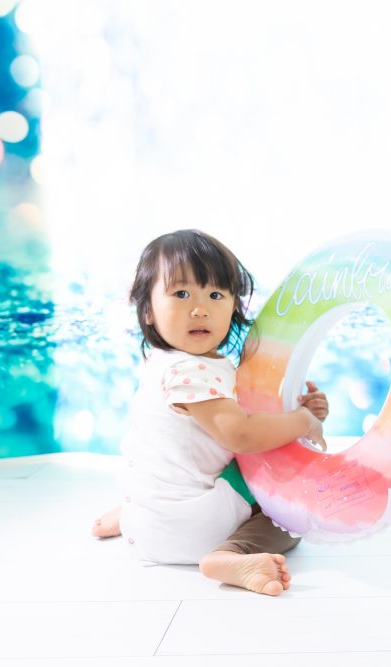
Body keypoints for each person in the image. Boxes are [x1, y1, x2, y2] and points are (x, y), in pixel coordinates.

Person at [90, 229, 328, 597]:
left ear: (233, 307)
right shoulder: (193, 371)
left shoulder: (165, 360)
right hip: (192, 528)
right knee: (290, 512)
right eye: (181, 294)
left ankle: (135, 514)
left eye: (215, 295)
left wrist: (299, 411)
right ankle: (230, 554)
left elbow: (239, 416)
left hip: (150, 517)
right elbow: (241, 435)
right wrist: (302, 422)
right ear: (148, 310)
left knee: (170, 461)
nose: (200, 309)